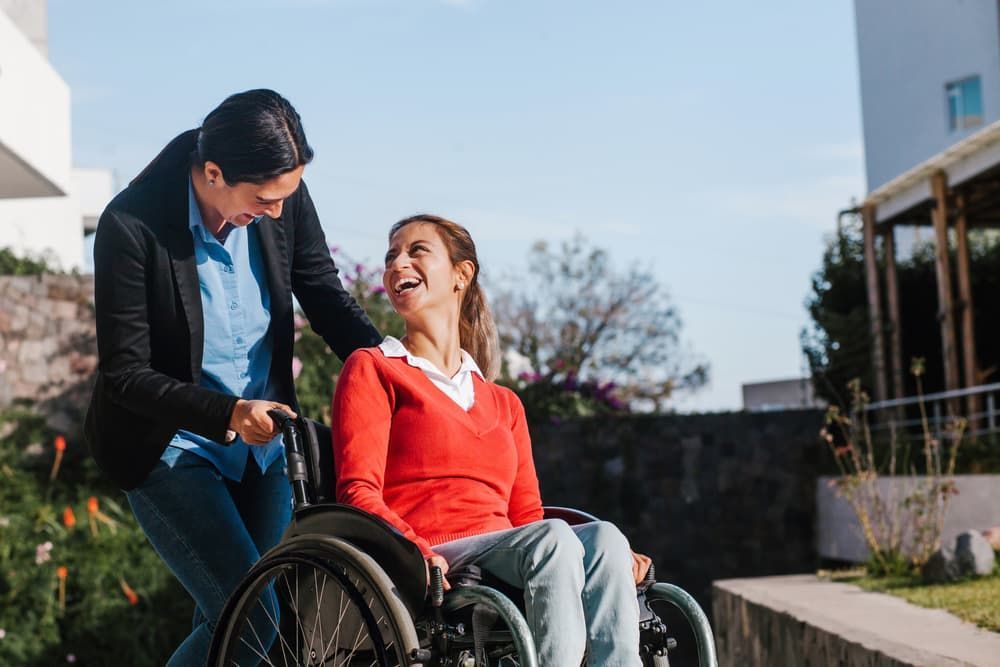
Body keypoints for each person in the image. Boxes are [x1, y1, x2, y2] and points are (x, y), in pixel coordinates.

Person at [84, 89, 381, 666]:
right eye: (264, 200)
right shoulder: (131, 224)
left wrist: (394, 372)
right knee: (253, 616)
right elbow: (125, 375)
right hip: (170, 446)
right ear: (214, 173)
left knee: (235, 621)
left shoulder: (282, 195)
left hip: (265, 449)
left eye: (285, 197)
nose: (277, 212)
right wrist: (228, 414)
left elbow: (324, 294)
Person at [331, 214, 651, 666]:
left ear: (461, 274)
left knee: (606, 539)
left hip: (507, 548)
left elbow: (528, 517)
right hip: (430, 552)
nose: (397, 263)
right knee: (552, 541)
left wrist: (610, 558)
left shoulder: (504, 402)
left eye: (416, 250)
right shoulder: (373, 368)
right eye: (390, 256)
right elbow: (358, 492)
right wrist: (417, 552)